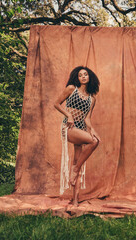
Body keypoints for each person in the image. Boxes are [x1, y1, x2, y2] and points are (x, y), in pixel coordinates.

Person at [54, 66, 101, 206]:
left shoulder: (92, 99)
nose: (83, 77)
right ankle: (74, 170)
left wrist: (92, 130)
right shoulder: (71, 89)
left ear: (89, 77)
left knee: (79, 161)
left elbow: (87, 119)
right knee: (93, 142)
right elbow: (56, 103)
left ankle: (75, 201)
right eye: (81, 75)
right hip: (69, 127)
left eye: (86, 74)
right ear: (77, 78)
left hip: (81, 128)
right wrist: (68, 115)